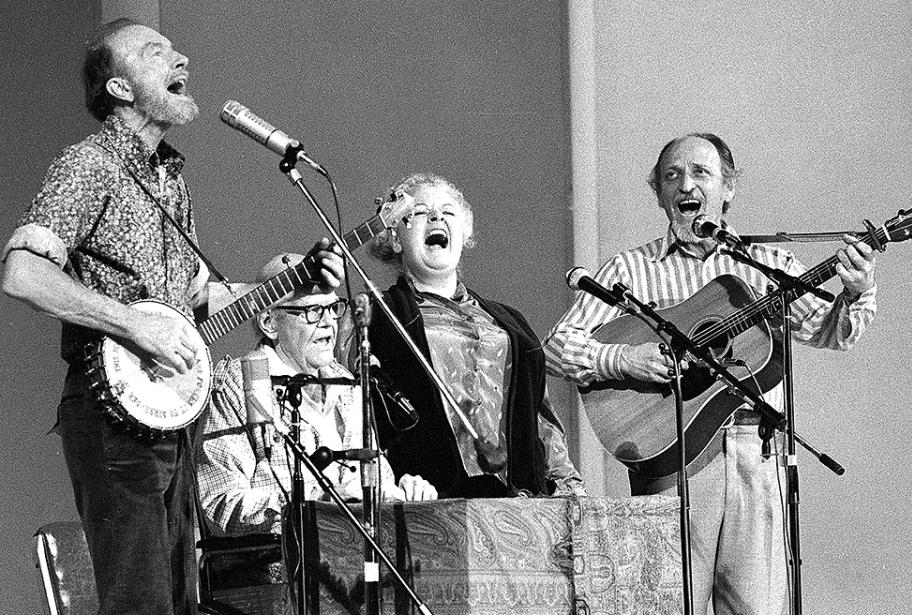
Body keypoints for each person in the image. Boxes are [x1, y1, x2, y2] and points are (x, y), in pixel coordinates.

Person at [0, 20, 345, 615]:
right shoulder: (90, 164)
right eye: (154, 51)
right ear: (120, 88)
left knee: (181, 600)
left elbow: (191, 302)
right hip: (113, 417)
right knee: (141, 603)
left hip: (173, 413)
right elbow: (21, 272)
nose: (179, 55)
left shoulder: (171, 179)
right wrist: (131, 324)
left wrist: (283, 284)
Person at [544, 133, 877, 615]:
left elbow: (833, 332)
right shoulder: (630, 269)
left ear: (729, 188)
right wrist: (623, 359)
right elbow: (556, 346)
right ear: (658, 191)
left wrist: (857, 289)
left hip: (757, 454)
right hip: (671, 455)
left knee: (757, 609)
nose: (686, 184)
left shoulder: (768, 265)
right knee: (672, 607)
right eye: (672, 175)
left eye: (701, 173)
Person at [353, 172, 585, 498]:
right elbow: (353, 413)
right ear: (394, 238)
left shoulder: (511, 323)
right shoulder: (378, 314)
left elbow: (540, 418)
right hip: (433, 505)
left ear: (464, 233)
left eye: (448, 212)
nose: (436, 217)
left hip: (522, 504)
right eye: (419, 213)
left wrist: (568, 485)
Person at [196, 252, 438, 540]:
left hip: (351, 564)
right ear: (269, 322)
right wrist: (316, 504)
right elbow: (220, 505)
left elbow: (375, 484)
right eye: (312, 311)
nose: (328, 323)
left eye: (333, 308)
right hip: (279, 568)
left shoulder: (349, 385)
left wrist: (404, 494)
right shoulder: (239, 383)